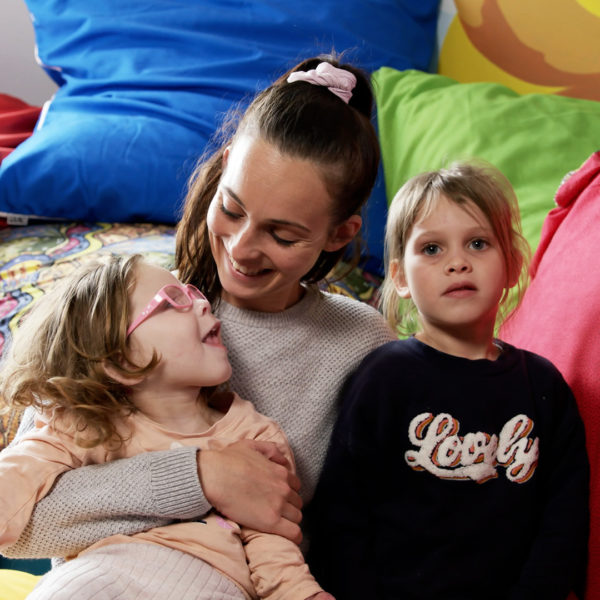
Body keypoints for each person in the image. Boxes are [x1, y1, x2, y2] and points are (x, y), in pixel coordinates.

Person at [1, 54, 397, 577]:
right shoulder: (132, 300)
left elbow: (356, 532)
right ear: (227, 163)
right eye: (231, 209)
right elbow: (23, 525)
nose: (241, 247)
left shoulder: (360, 343)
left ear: (339, 234)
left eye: (282, 235)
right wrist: (200, 477)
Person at [306, 161, 590, 599]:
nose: (458, 262)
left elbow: (564, 522)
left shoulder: (544, 386)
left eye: (478, 243)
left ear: (513, 265)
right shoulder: (383, 379)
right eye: (433, 249)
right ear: (399, 277)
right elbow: (342, 518)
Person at [0, 253, 334, 600]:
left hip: (214, 584)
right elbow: (13, 482)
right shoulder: (87, 423)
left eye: (194, 294)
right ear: (120, 359)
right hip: (105, 574)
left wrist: (301, 593)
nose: (203, 305)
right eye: (174, 301)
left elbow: (273, 543)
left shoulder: (254, 436)